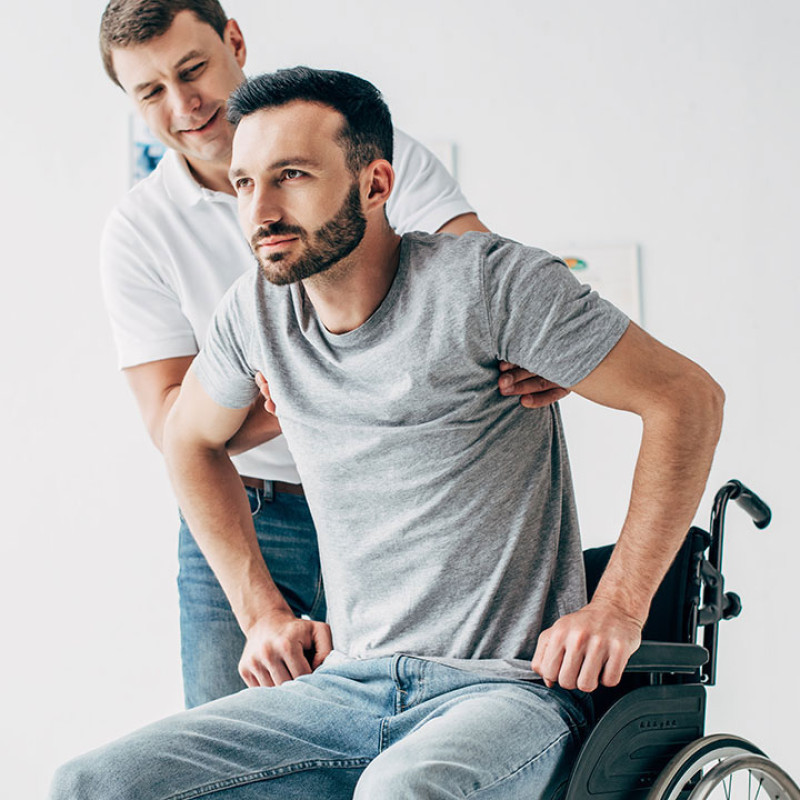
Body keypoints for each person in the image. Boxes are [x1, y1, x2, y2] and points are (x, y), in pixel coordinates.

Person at [51, 66, 724, 799]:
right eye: (244, 184)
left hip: (501, 692)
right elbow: (187, 438)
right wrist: (262, 614)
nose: (262, 211)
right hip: (346, 687)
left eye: (293, 176)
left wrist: (617, 607)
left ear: (375, 184)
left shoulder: (489, 284)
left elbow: (687, 399)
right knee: (92, 782)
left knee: (401, 791)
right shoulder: (255, 314)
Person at [98, 0, 565, 708]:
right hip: (248, 515)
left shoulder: (358, 151)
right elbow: (175, 427)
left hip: (394, 497)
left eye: (192, 69)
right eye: (150, 92)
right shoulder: (139, 231)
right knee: (235, 752)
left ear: (235, 41)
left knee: (390, 734)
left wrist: (544, 335)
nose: (184, 104)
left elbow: (483, 278)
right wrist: (313, 389)